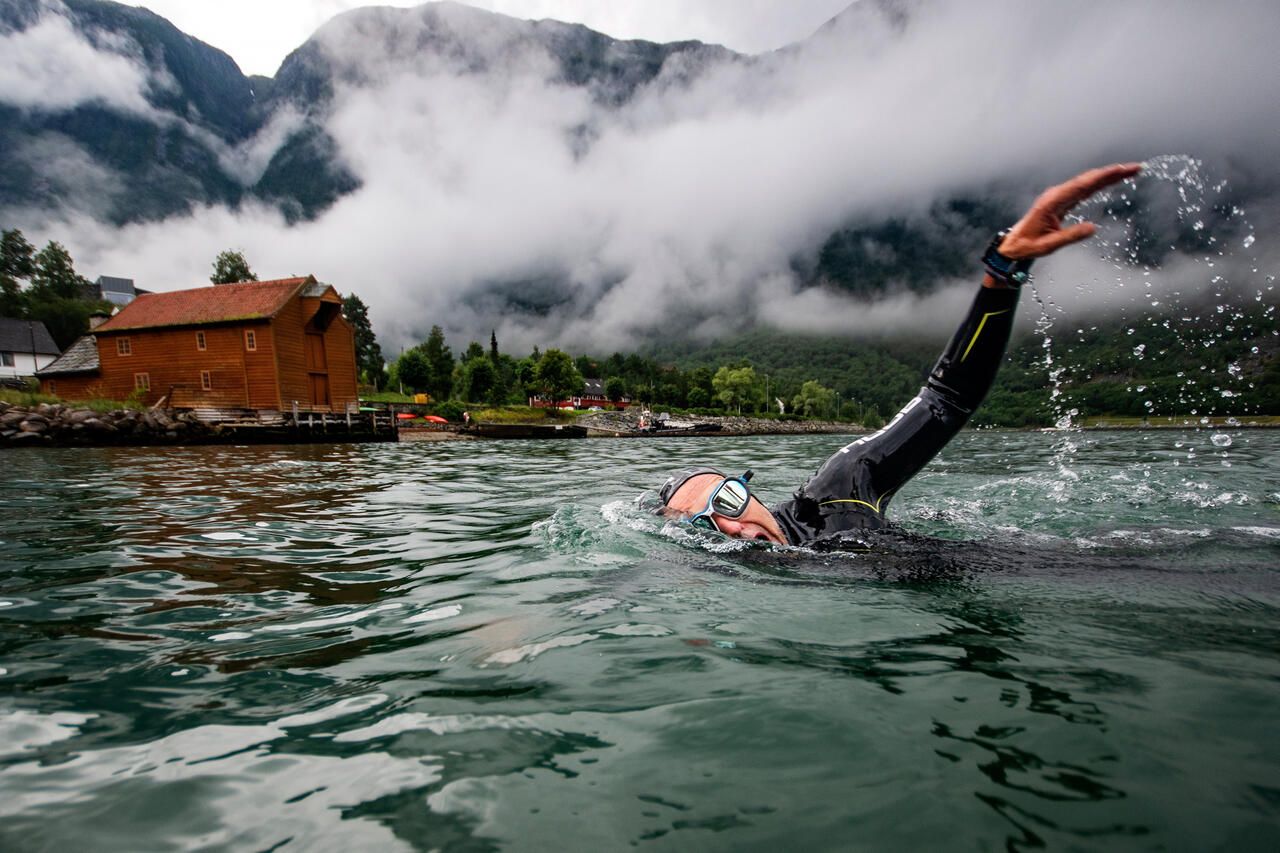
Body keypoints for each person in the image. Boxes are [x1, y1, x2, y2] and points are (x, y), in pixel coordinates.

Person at [655, 163, 1143, 546]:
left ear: (748, 490)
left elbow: (946, 399)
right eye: (707, 525)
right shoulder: (733, 571)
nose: (733, 527)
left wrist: (1004, 270)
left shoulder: (839, 491)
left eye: (729, 501)